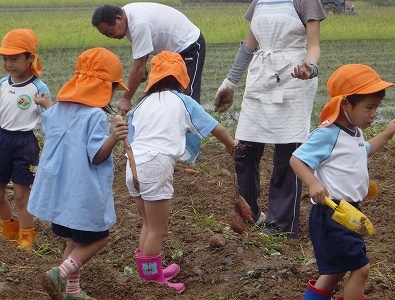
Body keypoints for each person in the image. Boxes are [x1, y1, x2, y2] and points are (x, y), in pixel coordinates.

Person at [126, 51, 238, 293]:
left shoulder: (141, 105)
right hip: (157, 164)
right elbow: (213, 126)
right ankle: (151, 282)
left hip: (133, 164)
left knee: (148, 222)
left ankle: (149, 271)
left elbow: (131, 138)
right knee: (158, 228)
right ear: (180, 78)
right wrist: (231, 145)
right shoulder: (183, 101)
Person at [214, 0, 326, 238]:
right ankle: (250, 215)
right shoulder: (260, 2)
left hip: (294, 77)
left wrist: (310, 68)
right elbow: (248, 46)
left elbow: (314, 46)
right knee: (244, 150)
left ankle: (281, 224)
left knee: (287, 153)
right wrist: (230, 82)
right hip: (261, 76)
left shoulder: (305, 1)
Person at [290, 64, 395, 300]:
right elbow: (297, 159)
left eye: (376, 107)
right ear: (346, 104)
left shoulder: (355, 131)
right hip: (331, 214)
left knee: (334, 272)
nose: (373, 114)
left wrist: (387, 134)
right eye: (369, 107)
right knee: (361, 269)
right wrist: (313, 183)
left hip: (349, 213)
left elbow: (363, 151)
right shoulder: (327, 134)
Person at [27, 47, 129, 300]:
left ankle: (71, 292)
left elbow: (52, 126)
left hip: (63, 194)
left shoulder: (61, 108)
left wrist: (48, 105)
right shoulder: (94, 115)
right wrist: (114, 138)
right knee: (99, 238)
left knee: (74, 241)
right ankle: (59, 274)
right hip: (84, 194)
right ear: (104, 87)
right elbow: (96, 155)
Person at [92, 3, 206, 164]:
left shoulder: (139, 24)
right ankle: (167, 145)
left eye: (110, 32)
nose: (110, 37)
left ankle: (190, 154)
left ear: (119, 19)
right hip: (167, 56)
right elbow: (142, 62)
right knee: (160, 97)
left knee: (187, 100)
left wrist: (126, 98)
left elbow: (138, 67)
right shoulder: (128, 19)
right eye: (106, 35)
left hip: (189, 46)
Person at [0, 28, 52, 249]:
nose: (9, 64)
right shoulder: (3, 83)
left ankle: (26, 235)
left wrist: (47, 106)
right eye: (5, 59)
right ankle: (7, 230)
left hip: (24, 145)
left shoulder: (38, 88)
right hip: (1, 140)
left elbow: (52, 119)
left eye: (15, 59)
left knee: (22, 195)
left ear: (30, 58)